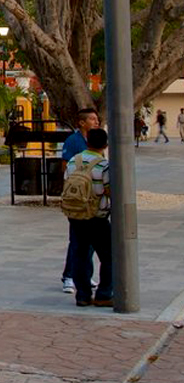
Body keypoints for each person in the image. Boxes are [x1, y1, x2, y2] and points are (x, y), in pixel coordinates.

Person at [65, 127, 113, 308]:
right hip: (97, 217)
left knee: (80, 255)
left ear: (87, 141)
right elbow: (109, 190)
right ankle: (104, 294)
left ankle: (83, 296)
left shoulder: (73, 162)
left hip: (75, 215)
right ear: (106, 144)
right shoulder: (103, 165)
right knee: (108, 256)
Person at [59, 108, 99, 294]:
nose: (96, 121)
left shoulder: (92, 141)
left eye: (96, 118)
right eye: (92, 119)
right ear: (82, 122)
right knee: (76, 239)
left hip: (91, 199)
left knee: (90, 241)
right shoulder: (73, 141)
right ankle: (69, 276)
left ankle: (84, 274)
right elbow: (65, 166)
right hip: (78, 198)